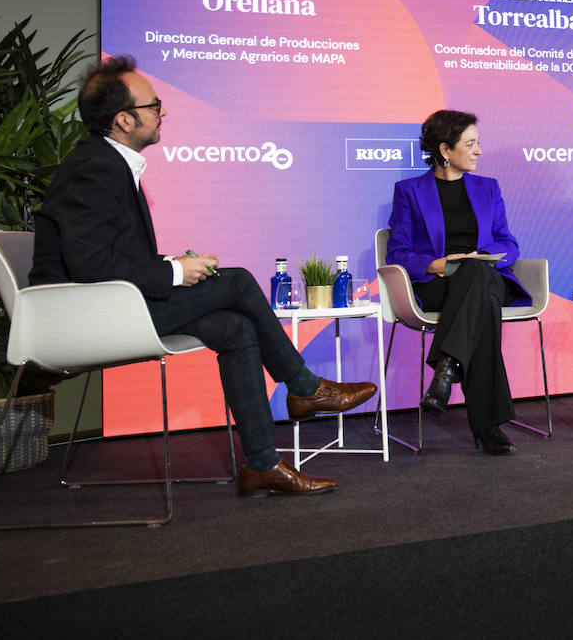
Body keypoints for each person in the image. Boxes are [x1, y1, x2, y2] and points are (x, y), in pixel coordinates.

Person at [31, 56, 377, 496]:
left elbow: (106, 256)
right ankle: (305, 387)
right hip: (86, 316)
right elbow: (91, 266)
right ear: (122, 119)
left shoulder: (107, 164)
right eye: (153, 105)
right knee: (235, 281)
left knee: (235, 328)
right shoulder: (94, 168)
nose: (162, 113)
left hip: (114, 304)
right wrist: (173, 270)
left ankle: (262, 464)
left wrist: (178, 266)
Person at [385, 110, 529, 454]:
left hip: (484, 278)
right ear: (445, 150)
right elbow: (397, 252)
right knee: (482, 303)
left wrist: (479, 257)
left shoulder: (488, 188)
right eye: (471, 144)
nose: (479, 150)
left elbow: (508, 243)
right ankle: (488, 425)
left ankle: (447, 369)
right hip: (439, 285)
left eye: (478, 143)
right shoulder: (409, 191)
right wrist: (433, 264)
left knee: (478, 274)